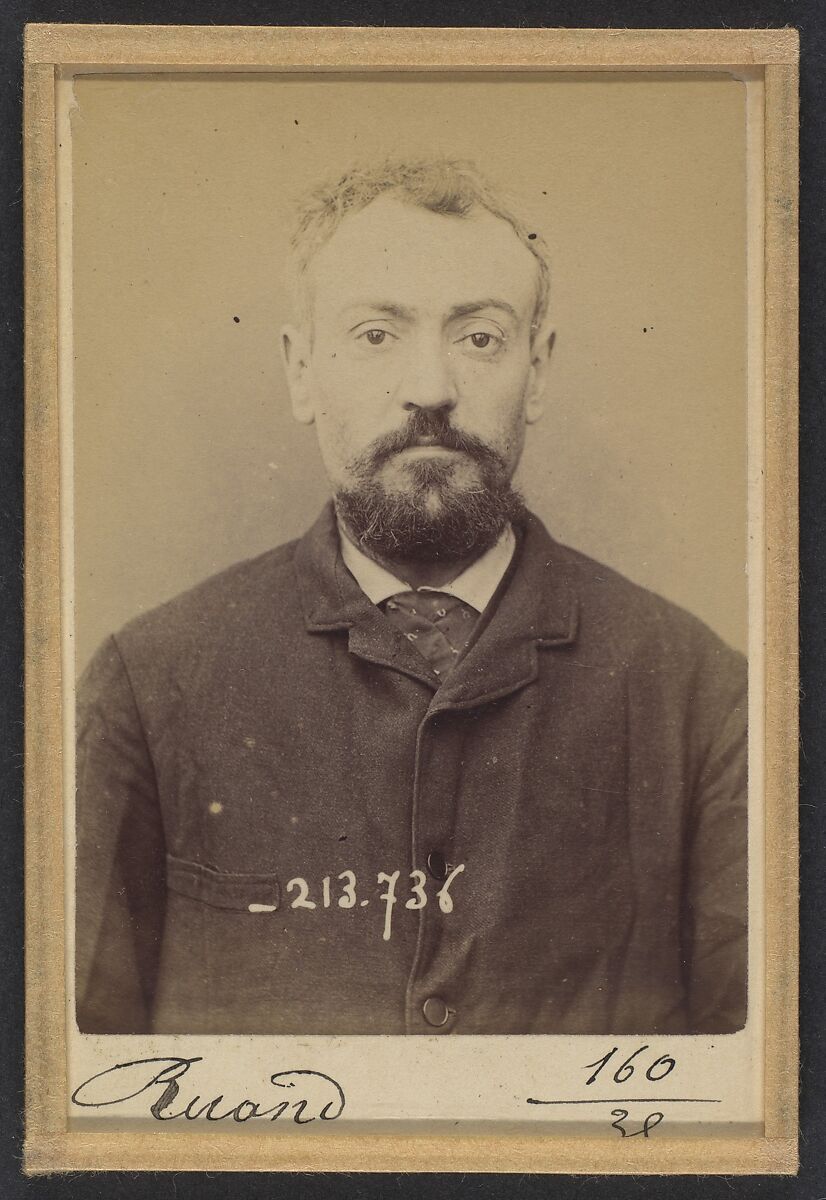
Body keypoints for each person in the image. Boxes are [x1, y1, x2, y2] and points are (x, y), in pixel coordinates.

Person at [76, 158, 747, 1037]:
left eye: (478, 338)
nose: (430, 388)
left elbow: (759, 1090)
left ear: (537, 372)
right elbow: (71, 1091)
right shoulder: (146, 681)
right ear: (300, 370)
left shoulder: (701, 693)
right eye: (375, 334)